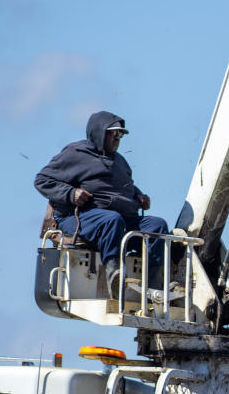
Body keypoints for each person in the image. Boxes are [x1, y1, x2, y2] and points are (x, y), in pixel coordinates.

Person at [34, 110, 169, 297]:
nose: (117, 137)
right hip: (81, 218)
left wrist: (139, 196)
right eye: (112, 133)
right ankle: (114, 274)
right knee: (111, 220)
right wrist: (71, 193)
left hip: (117, 221)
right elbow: (42, 180)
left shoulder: (120, 162)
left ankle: (154, 285)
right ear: (99, 132)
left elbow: (123, 188)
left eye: (120, 134)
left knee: (157, 225)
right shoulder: (76, 153)